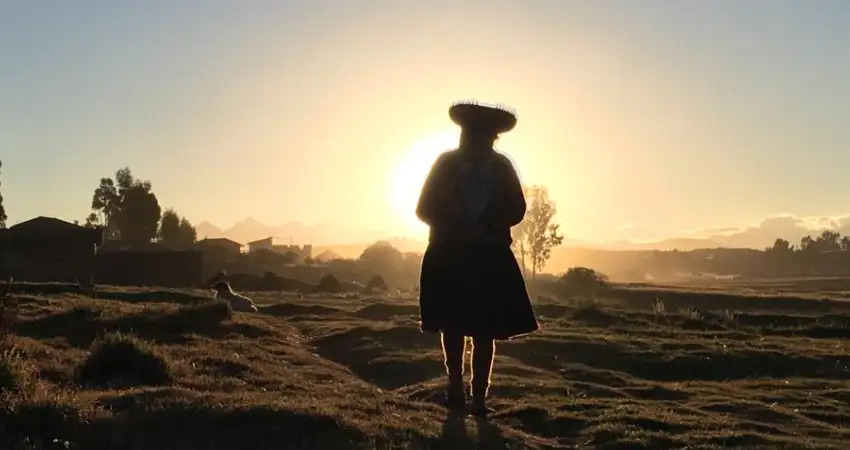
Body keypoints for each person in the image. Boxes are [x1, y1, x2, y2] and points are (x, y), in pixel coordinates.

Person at [416, 101, 540, 417]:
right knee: (452, 325)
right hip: (450, 253)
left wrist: (487, 226)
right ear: (466, 134)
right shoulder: (445, 164)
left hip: (488, 255)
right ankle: (455, 390)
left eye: (489, 136)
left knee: (485, 330)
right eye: (479, 134)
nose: (484, 141)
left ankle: (479, 400)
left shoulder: (502, 168)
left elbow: (517, 209)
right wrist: (454, 227)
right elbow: (424, 207)